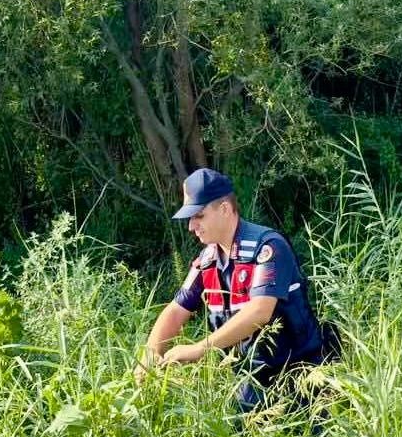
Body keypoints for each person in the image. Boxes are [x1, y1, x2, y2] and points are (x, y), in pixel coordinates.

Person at [136, 168, 325, 413]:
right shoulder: (207, 260)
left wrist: (198, 349)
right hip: (250, 382)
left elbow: (259, 312)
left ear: (224, 209)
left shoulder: (268, 247)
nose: (191, 226)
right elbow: (176, 309)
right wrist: (150, 355)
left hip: (300, 379)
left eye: (199, 216)